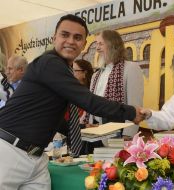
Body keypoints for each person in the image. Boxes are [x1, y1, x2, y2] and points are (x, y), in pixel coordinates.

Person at [0, 14, 143, 190]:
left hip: (36, 158)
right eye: (65, 35)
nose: (70, 41)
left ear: (84, 44)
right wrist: (131, 112)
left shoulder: (63, 68)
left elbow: (51, 113)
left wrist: (82, 130)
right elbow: (88, 100)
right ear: (54, 38)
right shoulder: (49, 62)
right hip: (8, 151)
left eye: (77, 37)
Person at [86, 30, 144, 152]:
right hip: (96, 131)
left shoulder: (131, 68)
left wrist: (128, 134)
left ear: (113, 44)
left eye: (101, 44)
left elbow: (135, 104)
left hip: (119, 130)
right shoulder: (96, 74)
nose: (97, 48)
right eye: (97, 44)